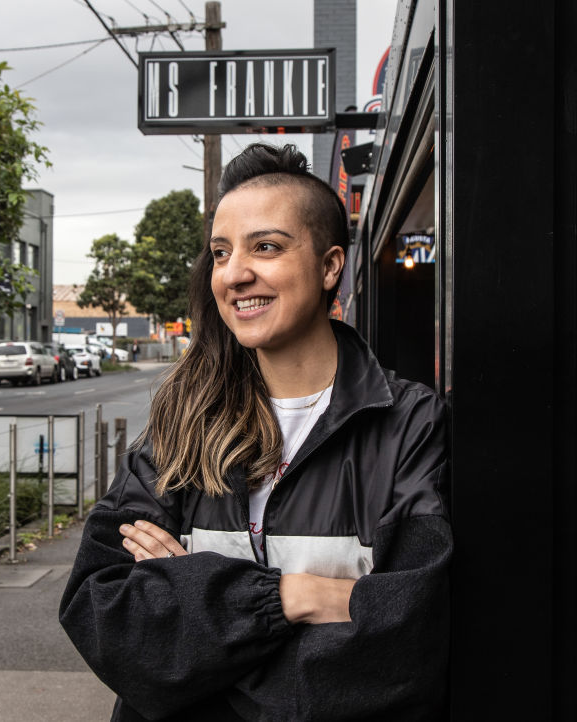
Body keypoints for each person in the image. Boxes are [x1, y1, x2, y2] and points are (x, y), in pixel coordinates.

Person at [59, 143, 451, 721]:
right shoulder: (183, 424)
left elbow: (410, 643)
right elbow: (103, 613)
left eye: (265, 247)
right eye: (221, 252)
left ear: (329, 267)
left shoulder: (410, 425)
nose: (235, 274)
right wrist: (292, 598)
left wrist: (194, 617)